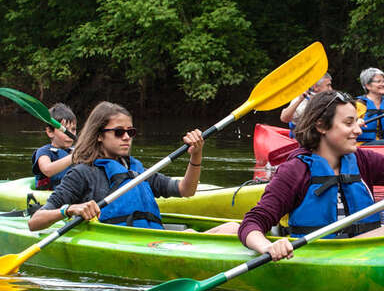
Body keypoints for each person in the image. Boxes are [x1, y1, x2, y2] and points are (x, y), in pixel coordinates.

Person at [238, 90, 384, 261]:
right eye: (349, 123)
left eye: (357, 122)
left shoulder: (361, 160)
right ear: (321, 126)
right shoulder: (295, 170)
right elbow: (251, 224)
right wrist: (268, 247)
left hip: (364, 250)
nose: (358, 129)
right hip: (324, 255)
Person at [28, 101, 238, 235]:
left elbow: (186, 190)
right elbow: (35, 222)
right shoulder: (82, 174)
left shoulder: (138, 170)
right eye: (119, 132)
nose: (127, 137)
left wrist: (196, 155)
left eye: (131, 131)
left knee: (234, 228)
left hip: (156, 240)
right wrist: (69, 209)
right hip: (126, 244)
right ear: (99, 135)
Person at [32, 102, 77, 190]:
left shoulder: (75, 150)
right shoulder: (44, 152)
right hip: (50, 196)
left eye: (73, 129)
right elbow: (47, 170)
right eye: (65, 130)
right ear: (50, 132)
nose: (70, 134)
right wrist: (73, 157)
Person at [280, 73, 333, 138]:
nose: (331, 89)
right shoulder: (302, 101)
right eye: (328, 85)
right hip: (302, 141)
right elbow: (284, 118)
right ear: (315, 87)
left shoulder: (328, 99)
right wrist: (300, 100)